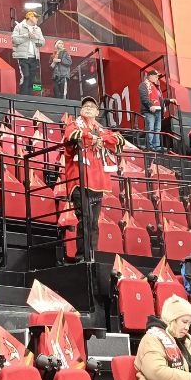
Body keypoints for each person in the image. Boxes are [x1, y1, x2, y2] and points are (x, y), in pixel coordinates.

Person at [60, 95, 120, 261]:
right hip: (79, 182)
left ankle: (92, 255)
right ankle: (83, 256)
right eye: (85, 106)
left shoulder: (101, 130)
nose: (87, 107)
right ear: (81, 110)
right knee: (86, 219)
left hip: (98, 184)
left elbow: (117, 139)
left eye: (91, 106)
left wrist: (99, 139)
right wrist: (93, 138)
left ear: (97, 112)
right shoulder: (73, 125)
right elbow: (72, 135)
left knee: (94, 223)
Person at [11, 10, 45, 96]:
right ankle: (23, 96)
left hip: (34, 57)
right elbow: (14, 40)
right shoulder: (19, 27)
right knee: (25, 76)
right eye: (36, 17)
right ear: (30, 17)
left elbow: (42, 42)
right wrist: (27, 36)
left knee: (32, 78)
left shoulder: (37, 29)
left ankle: (29, 97)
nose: (37, 19)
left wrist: (35, 38)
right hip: (23, 56)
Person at [138, 69, 165, 152]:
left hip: (158, 110)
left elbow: (160, 99)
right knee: (150, 128)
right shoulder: (143, 85)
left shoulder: (156, 87)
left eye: (157, 77)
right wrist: (150, 106)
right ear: (150, 76)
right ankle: (149, 146)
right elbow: (144, 97)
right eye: (156, 76)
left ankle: (156, 146)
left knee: (157, 129)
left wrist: (168, 101)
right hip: (149, 110)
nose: (157, 78)